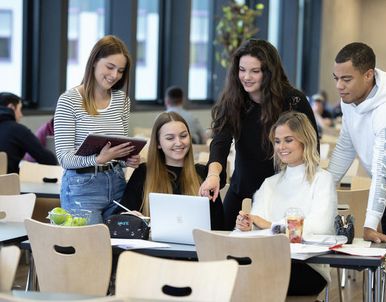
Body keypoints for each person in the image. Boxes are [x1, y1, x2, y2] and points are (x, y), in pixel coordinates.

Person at [329, 42, 386, 300]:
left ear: (368, 74)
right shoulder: (350, 101)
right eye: (336, 78)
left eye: (347, 79)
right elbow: (346, 147)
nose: (339, 86)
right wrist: (321, 187)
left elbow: (384, 170)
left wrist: (369, 224)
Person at [199, 39, 318, 230]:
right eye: (242, 70)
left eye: (255, 71)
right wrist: (213, 174)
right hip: (242, 190)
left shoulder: (293, 101)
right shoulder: (233, 100)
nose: (246, 77)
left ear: (268, 73)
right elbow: (220, 142)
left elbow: (312, 148)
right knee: (224, 243)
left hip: (284, 192)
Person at [235, 111, 337, 296]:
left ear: (304, 141)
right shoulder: (269, 183)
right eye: (277, 141)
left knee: (248, 279)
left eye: (288, 140)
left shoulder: (322, 180)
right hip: (267, 261)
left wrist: (272, 226)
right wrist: (247, 226)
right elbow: (259, 227)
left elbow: (320, 227)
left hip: (308, 267)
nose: (281, 147)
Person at [54, 35, 141, 224]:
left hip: (117, 182)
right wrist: (98, 159)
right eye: (110, 67)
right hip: (82, 187)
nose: (114, 75)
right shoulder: (69, 100)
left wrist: (128, 158)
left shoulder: (122, 101)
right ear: (94, 62)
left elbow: (118, 147)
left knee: (119, 247)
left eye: (120, 70)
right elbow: (64, 158)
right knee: (92, 248)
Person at [117, 111, 225, 230]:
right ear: (158, 143)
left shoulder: (204, 174)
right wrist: (128, 217)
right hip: (151, 246)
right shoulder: (143, 173)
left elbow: (219, 226)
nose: (178, 143)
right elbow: (120, 218)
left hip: (196, 247)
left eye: (183, 136)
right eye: (170, 138)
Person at [0, 92, 57, 173]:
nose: (21, 115)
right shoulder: (18, 130)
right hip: (7, 183)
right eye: (20, 109)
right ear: (11, 107)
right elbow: (48, 160)